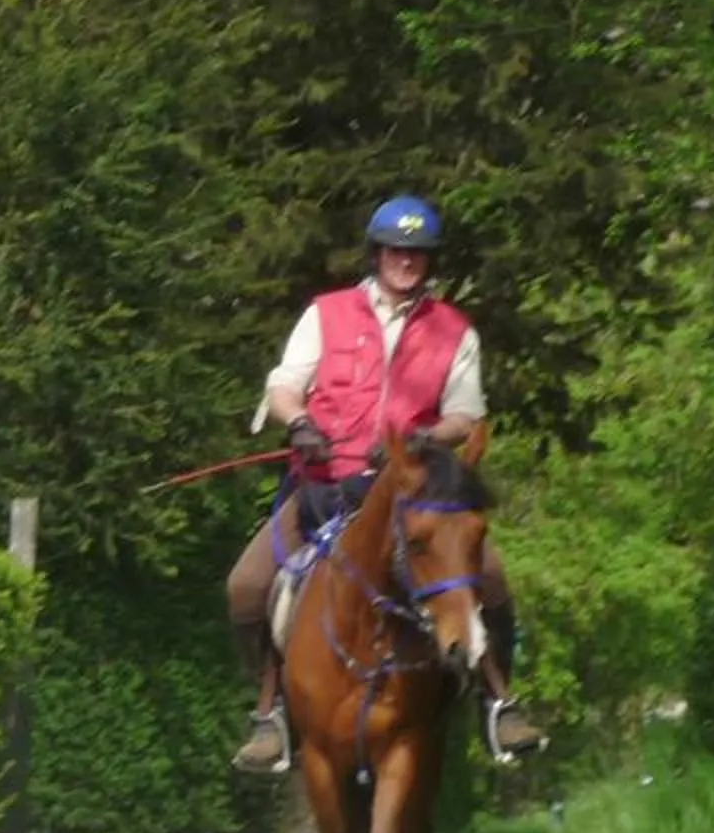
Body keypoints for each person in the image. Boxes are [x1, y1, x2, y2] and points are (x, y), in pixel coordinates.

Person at [227, 193, 546, 774]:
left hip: (414, 494)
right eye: (397, 251)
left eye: (417, 253)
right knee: (245, 587)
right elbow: (284, 386)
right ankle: (270, 712)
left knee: (491, 580)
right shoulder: (326, 313)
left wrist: (422, 437)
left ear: (429, 262)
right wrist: (299, 423)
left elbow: (465, 416)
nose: (406, 261)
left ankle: (499, 701)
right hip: (325, 488)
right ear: (377, 254)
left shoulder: (455, 330)